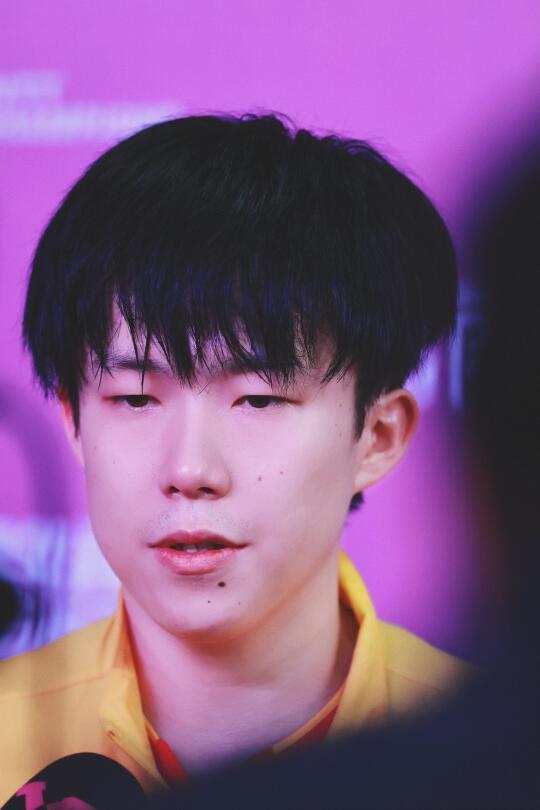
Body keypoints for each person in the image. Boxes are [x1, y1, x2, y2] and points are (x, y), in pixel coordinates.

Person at [0, 113, 468, 803]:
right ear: (73, 423)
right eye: (135, 398)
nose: (190, 470)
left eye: (257, 399)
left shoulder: (498, 754)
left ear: (376, 436)